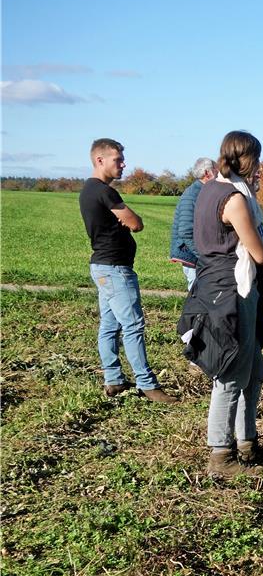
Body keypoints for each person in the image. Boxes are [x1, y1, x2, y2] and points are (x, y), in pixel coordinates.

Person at [185, 130, 263, 475]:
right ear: (249, 159)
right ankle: (220, 455)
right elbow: (258, 251)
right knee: (232, 373)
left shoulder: (209, 189)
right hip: (232, 288)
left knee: (253, 369)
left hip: (218, 285)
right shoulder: (233, 199)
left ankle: (246, 441)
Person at [80, 138, 177, 403]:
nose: (123, 164)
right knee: (133, 325)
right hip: (115, 269)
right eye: (118, 160)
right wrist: (134, 223)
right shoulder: (104, 191)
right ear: (100, 160)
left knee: (110, 325)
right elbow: (135, 223)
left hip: (102, 265)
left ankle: (114, 380)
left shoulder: (87, 189)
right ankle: (147, 384)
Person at [169, 157, 217, 289]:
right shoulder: (192, 195)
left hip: (200, 257)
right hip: (193, 257)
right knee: (197, 293)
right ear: (208, 173)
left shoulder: (204, 191)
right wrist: (204, 256)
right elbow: (186, 231)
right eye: (216, 170)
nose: (219, 174)